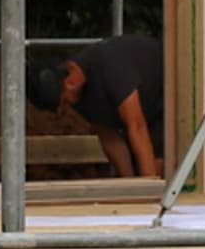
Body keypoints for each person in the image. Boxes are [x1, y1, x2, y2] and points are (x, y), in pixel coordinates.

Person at [27, 29, 170, 180]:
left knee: (155, 169)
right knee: (138, 171)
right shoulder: (77, 95)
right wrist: (127, 181)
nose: (66, 108)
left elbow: (136, 126)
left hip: (168, 92)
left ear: (71, 82)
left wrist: (148, 183)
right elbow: (109, 137)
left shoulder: (111, 69)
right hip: (146, 112)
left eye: (64, 101)